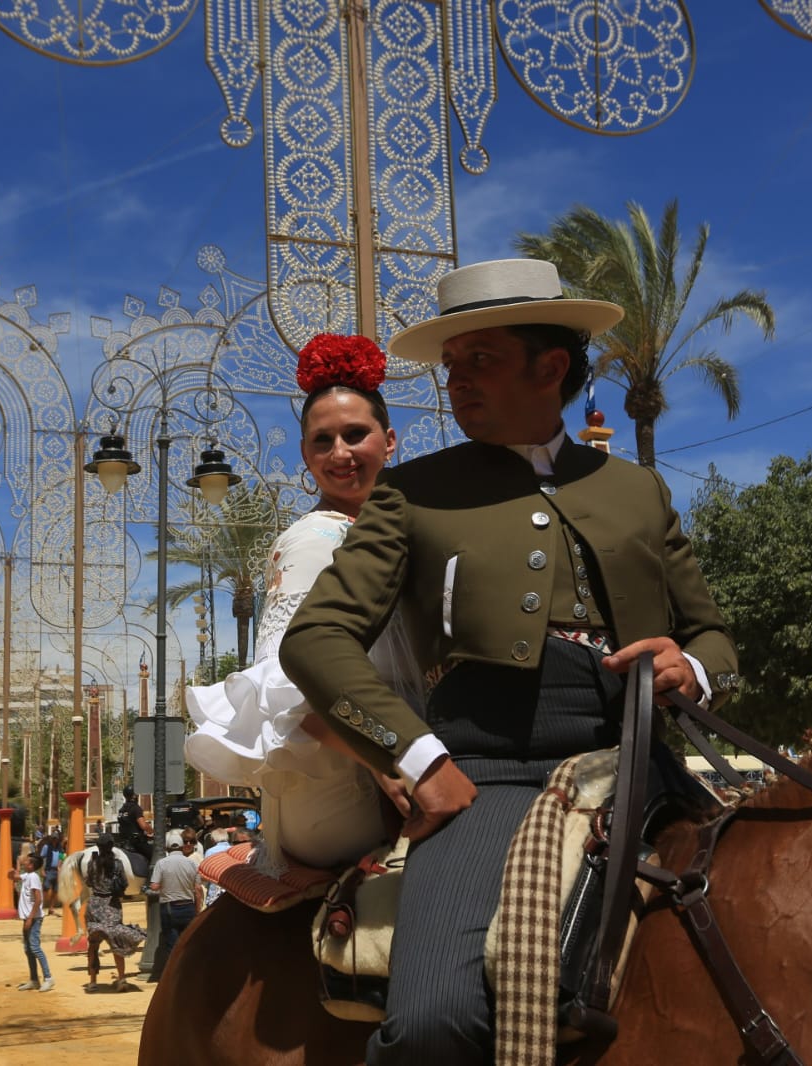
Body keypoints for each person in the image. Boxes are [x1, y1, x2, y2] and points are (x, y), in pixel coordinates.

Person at [279, 258, 739, 1063]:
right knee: (431, 1020)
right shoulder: (412, 491)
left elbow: (712, 636)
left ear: (549, 366)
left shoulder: (639, 490)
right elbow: (313, 640)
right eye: (450, 366)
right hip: (484, 773)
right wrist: (419, 759)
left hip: (641, 762)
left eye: (478, 360)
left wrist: (690, 670)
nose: (455, 382)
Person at [186, 332, 414, 874]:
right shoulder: (315, 539)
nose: (340, 454)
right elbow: (284, 691)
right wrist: (388, 761)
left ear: (390, 440)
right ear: (306, 454)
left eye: (356, 434)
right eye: (322, 441)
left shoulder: (400, 531)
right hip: (346, 778)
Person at [83, 833, 146, 990]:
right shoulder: (117, 864)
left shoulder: (93, 863)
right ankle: (121, 978)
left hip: (96, 905)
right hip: (112, 906)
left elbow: (89, 882)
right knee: (116, 942)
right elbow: (124, 883)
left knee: (93, 945)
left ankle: (92, 981)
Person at [146, 829, 203, 982]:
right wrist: (197, 909)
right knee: (188, 943)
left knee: (172, 945)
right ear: (181, 846)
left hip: (169, 907)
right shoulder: (191, 863)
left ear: (167, 848)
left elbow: (154, 887)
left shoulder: (161, 863)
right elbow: (198, 889)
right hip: (188, 907)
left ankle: (174, 978)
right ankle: (189, 975)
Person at [16, 852, 53, 992]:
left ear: (31, 865)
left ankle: (48, 978)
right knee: (28, 949)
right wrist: (16, 866)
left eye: (26, 861)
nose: (24, 862)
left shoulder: (34, 877)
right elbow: (13, 877)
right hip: (28, 918)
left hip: (34, 918)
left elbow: (38, 899)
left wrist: (30, 918)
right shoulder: (27, 876)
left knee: (35, 948)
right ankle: (34, 979)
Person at [117, 789, 151, 875]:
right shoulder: (136, 808)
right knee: (155, 854)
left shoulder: (121, 810)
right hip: (136, 842)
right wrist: (151, 829)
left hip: (123, 841)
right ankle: (150, 880)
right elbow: (143, 825)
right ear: (134, 796)